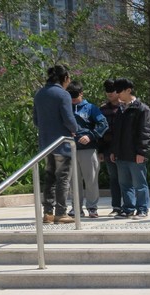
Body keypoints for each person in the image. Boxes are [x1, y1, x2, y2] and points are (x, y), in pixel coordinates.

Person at [33, 64, 79, 224]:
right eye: (69, 78)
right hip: (62, 143)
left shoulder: (39, 94)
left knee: (49, 178)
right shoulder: (63, 95)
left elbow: (36, 121)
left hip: (46, 144)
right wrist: (76, 129)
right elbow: (69, 120)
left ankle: (47, 213)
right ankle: (61, 212)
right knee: (63, 179)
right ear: (65, 78)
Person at [111, 78, 150, 220]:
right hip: (121, 154)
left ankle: (142, 209)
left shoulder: (142, 109)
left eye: (120, 91)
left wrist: (142, 152)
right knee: (124, 184)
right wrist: (114, 151)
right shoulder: (120, 110)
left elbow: (145, 132)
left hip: (136, 154)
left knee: (139, 184)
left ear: (128, 90)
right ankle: (128, 209)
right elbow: (116, 132)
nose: (117, 95)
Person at [67, 81, 108, 219]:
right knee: (74, 181)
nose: (72, 99)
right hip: (70, 148)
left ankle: (92, 207)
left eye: (75, 96)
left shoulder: (91, 108)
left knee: (91, 180)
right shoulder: (66, 108)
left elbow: (103, 124)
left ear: (81, 94)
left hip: (88, 149)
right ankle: (76, 208)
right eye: (70, 96)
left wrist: (91, 135)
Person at [98, 79, 121, 217]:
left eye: (112, 90)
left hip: (123, 148)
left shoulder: (125, 107)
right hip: (108, 148)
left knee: (126, 179)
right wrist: (100, 150)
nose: (109, 94)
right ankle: (116, 206)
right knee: (114, 178)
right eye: (107, 91)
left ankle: (129, 206)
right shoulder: (102, 109)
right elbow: (100, 131)